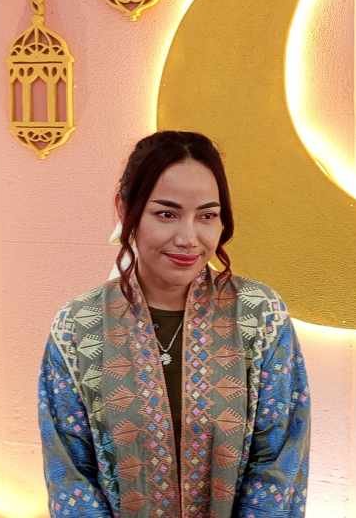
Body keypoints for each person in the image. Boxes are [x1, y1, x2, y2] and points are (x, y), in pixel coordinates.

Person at [37, 130, 311, 518]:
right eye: (166, 214)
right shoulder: (78, 328)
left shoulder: (258, 316)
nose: (188, 238)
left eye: (207, 216)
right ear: (125, 210)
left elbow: (277, 464)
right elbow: (71, 479)